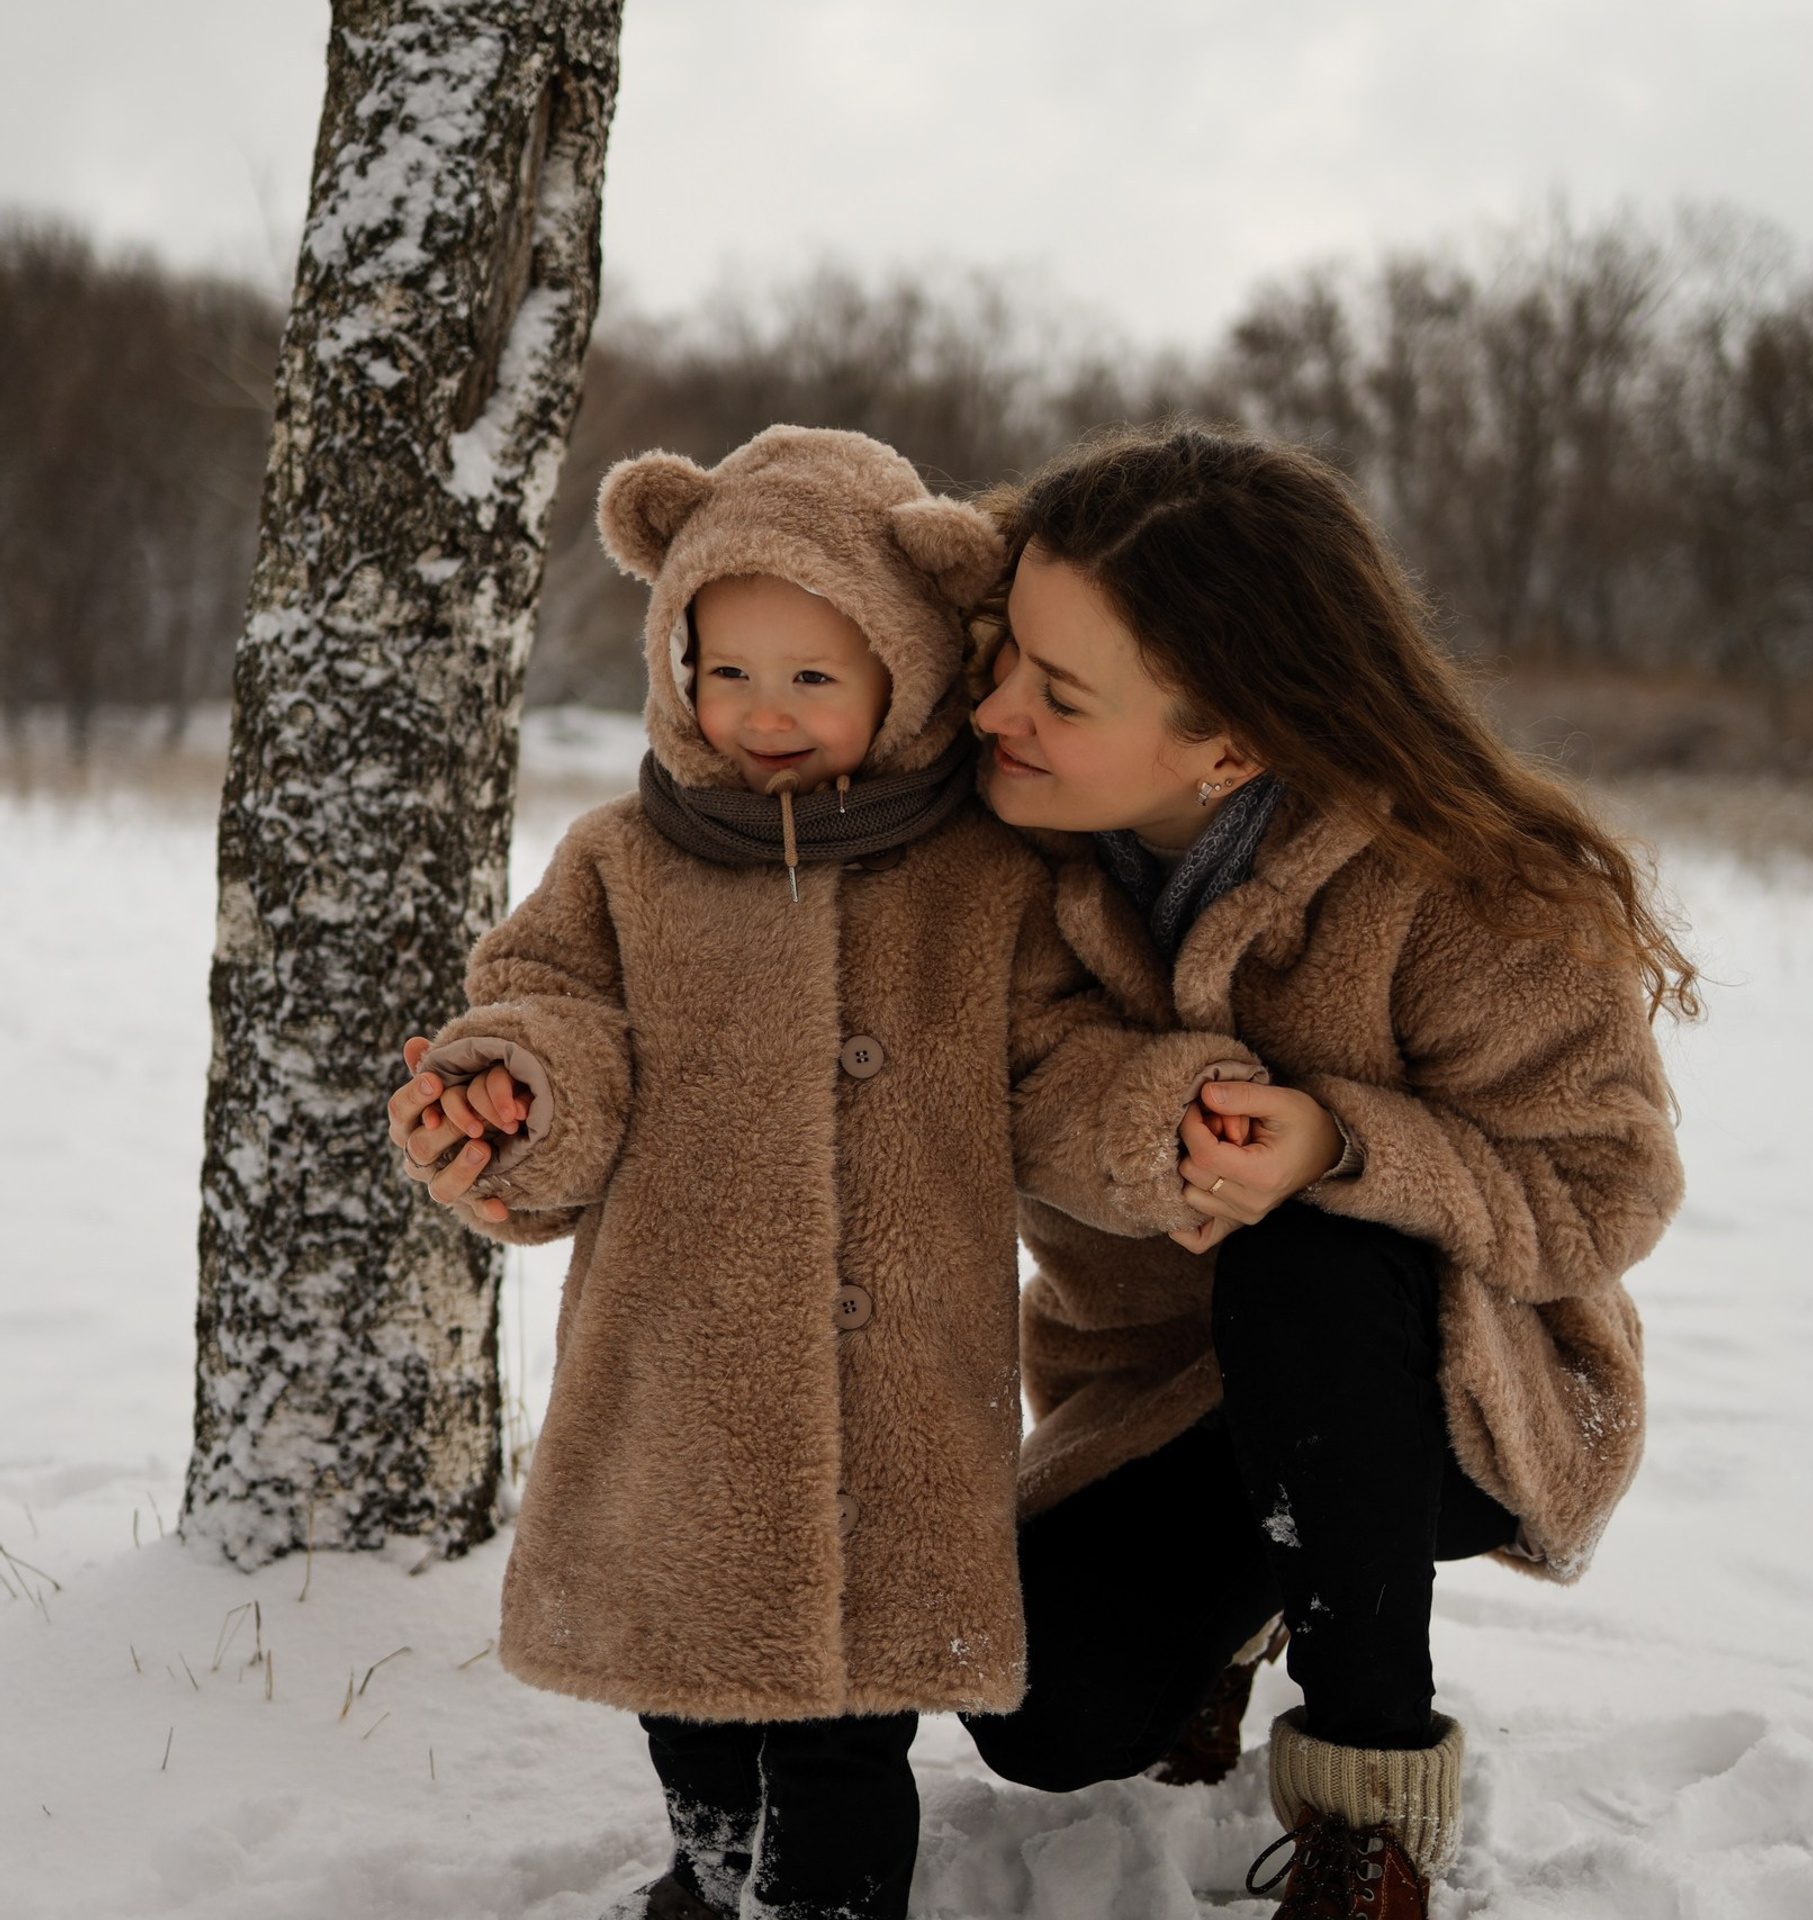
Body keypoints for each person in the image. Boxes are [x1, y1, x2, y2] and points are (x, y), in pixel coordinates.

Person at [383, 425, 1254, 1920]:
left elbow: (1052, 1072)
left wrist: (1155, 1120)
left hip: (898, 1388)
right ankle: (711, 1869)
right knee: (694, 1694)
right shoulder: (621, 863)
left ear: (907, 670)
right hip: (678, 1364)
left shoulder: (981, 880)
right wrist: (515, 1092)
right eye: (727, 672)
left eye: (812, 679)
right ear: (674, 662)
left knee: (849, 1726)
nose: (763, 716)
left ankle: (830, 1902)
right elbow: (560, 1021)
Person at [962, 423, 1691, 1918]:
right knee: (1040, 1720)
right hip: (1168, 1400)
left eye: (1057, 691)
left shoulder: (1460, 890)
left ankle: (1371, 1810)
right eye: (1004, 655)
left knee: (1310, 1250)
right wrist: (1156, 1121)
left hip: (1455, 1402)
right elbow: (1014, 1091)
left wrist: (1337, 1142)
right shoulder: (1004, 864)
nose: (994, 708)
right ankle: (1236, 1615)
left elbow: (1606, 1190)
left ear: (1228, 740)